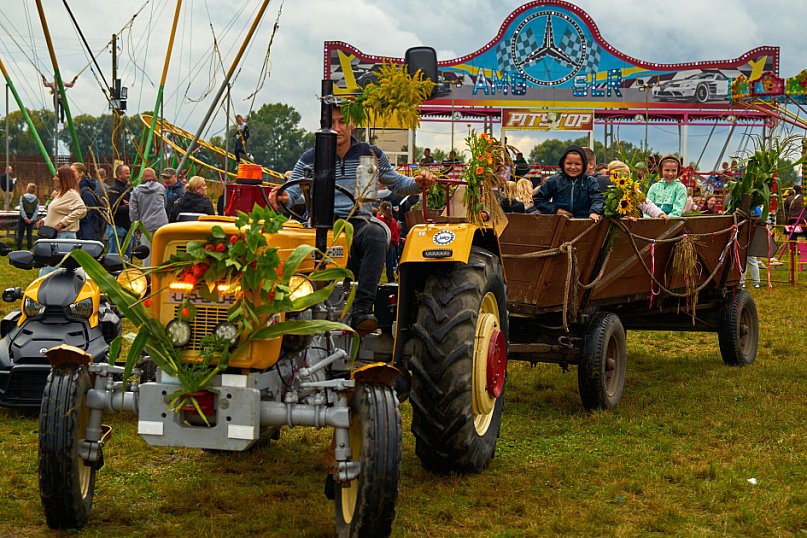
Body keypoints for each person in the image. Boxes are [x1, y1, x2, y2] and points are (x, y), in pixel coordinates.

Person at [268, 104, 435, 333]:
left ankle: (363, 309)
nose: (337, 128)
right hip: (318, 226)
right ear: (323, 126)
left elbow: (398, 183)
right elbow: (293, 191)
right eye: (332, 123)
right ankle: (296, 306)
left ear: (352, 124)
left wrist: (418, 183)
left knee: (376, 235)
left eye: (342, 122)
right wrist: (282, 196)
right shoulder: (310, 158)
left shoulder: (370, 154)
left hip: (357, 223)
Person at [35, 166, 87, 276]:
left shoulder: (71, 194)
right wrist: (44, 220)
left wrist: (64, 222)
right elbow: (59, 211)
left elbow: (82, 210)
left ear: (65, 178)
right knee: (49, 269)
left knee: (49, 271)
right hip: (55, 237)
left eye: (57, 176)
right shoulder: (60, 194)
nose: (54, 178)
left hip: (64, 236)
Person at [533, 145, 603, 221]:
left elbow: (597, 199)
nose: (573, 167)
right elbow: (539, 198)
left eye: (577, 164)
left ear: (584, 165)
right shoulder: (555, 180)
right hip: (558, 222)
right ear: (563, 164)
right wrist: (555, 210)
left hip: (584, 221)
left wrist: (594, 212)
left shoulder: (590, 181)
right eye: (569, 163)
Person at [130, 167, 169, 265]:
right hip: (162, 224)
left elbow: (133, 211)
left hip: (145, 225)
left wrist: (136, 227)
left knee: (147, 253)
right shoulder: (161, 188)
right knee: (162, 251)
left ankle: (148, 276)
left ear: (142, 178)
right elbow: (165, 204)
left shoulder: (136, 192)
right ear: (154, 176)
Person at [73, 162, 104, 241]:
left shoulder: (86, 193)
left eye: (73, 172)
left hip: (86, 234)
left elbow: (87, 215)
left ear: (81, 173)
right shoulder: (78, 190)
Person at [106, 164, 132, 256]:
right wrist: (129, 206)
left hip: (128, 227)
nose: (129, 175)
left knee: (127, 256)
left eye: (129, 173)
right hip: (117, 227)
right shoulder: (113, 190)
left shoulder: (129, 188)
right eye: (126, 173)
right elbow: (114, 209)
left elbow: (134, 205)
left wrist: (127, 205)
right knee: (114, 256)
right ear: (119, 175)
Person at [376, 201, 400, 283]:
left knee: (378, 263)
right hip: (391, 244)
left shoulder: (378, 219)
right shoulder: (393, 220)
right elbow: (396, 232)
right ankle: (391, 279)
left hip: (380, 243)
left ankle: (376, 279)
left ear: (381, 210)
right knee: (390, 264)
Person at [17, 183, 38, 250]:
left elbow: (21, 208)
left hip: (23, 217)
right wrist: (32, 219)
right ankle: (29, 247)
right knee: (29, 233)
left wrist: (25, 218)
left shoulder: (22, 197)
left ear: (27, 189)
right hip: (31, 216)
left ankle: (19, 247)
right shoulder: (36, 199)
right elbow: (36, 210)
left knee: (21, 233)